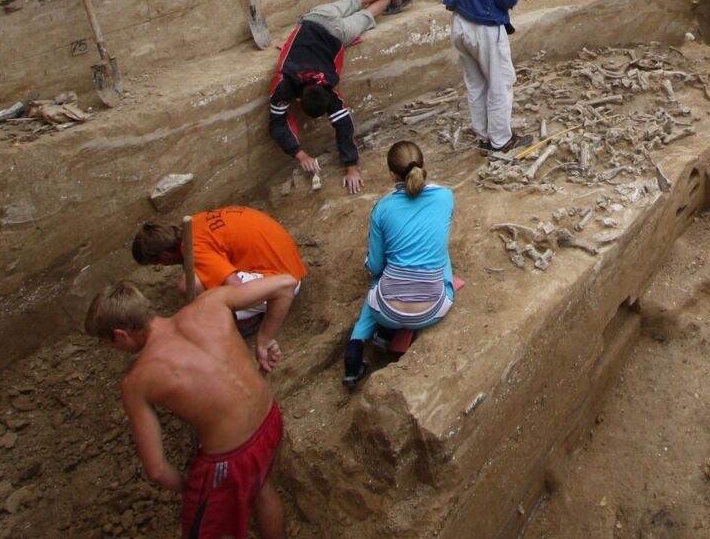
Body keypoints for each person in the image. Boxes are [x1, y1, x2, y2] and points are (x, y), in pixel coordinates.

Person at [85, 275, 297, 539]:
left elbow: (157, 470)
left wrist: (194, 489)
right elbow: (286, 284)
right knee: (261, 486)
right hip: (270, 420)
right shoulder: (212, 301)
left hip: (231, 459)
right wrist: (264, 339)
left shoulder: (137, 382)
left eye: (110, 345)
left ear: (121, 335)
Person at [268, 0, 415, 192]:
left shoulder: (287, 83)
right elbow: (342, 125)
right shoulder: (314, 83)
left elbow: (278, 122)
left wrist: (350, 167)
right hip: (318, 17)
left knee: (366, 14)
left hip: (330, 28)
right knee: (356, 1)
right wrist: (305, 156)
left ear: (297, 99)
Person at [131, 206, 308, 373]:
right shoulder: (195, 222)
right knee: (204, 277)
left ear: (165, 255)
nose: (163, 266)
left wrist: (215, 309)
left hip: (284, 280)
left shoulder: (194, 248)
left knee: (190, 285)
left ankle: (248, 320)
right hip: (287, 261)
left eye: (159, 262)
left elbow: (235, 286)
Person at [340, 140, 456, 388]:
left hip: (386, 311)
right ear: (424, 165)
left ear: (392, 174)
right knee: (441, 255)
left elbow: (375, 265)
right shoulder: (446, 197)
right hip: (432, 310)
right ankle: (384, 334)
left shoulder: (382, 208)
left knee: (378, 277)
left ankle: (355, 354)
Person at [443, 0, 534, 153]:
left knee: (476, 82)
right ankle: (501, 141)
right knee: (500, 83)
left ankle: (483, 135)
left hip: (460, 23)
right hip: (484, 29)